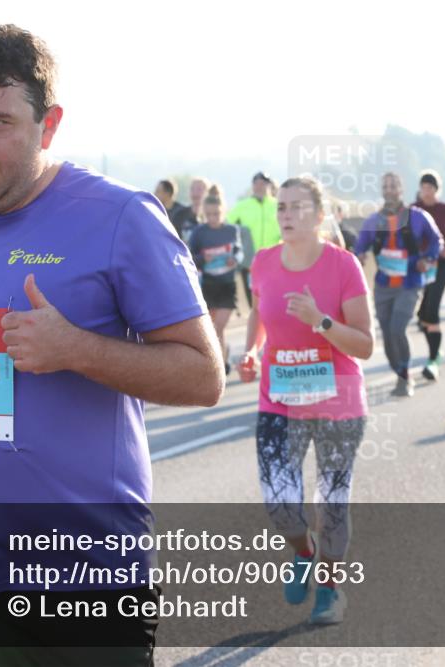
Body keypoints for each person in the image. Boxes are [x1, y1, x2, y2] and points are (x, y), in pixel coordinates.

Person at [0, 25, 224, 666]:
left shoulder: (122, 217)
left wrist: (76, 349)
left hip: (87, 571)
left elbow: (204, 376)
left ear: (48, 125)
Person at [236, 176, 373, 625]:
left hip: (338, 397)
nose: (287, 215)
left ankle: (330, 590)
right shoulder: (263, 261)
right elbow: (260, 312)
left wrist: (321, 321)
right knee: (280, 504)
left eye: (297, 207)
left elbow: (365, 345)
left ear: (319, 216)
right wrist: (252, 350)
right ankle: (304, 550)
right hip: (279, 397)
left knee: (331, 502)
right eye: (282, 207)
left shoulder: (343, 266)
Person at [354, 173, 441, 397]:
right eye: (385, 186)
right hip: (383, 286)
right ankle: (399, 371)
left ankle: (405, 377)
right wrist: (360, 256)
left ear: (401, 189)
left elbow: (436, 240)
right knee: (386, 334)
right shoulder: (374, 221)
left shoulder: (418, 217)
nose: (389, 190)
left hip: (409, 284)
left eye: (393, 186)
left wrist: (427, 259)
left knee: (397, 328)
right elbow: (359, 247)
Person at [413, 170, 445, 380]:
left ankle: (433, 360)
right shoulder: (413, 210)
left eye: (430, 188)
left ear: (437, 190)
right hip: (420, 266)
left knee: (432, 309)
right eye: (423, 188)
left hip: (440, 264)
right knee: (422, 315)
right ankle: (436, 351)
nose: (426, 192)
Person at [188, 185, 243, 374]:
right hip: (208, 285)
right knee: (213, 329)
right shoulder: (199, 232)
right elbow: (189, 256)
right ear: (204, 214)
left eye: (217, 214)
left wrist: (234, 259)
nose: (213, 218)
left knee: (218, 327)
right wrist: (203, 259)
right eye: (209, 214)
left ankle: (219, 366)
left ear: (223, 211)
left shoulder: (231, 230)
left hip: (227, 285)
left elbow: (239, 252)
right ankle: (223, 359)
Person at [228, 171, 280, 308]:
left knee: (272, 300)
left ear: (269, 186)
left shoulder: (278, 205)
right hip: (250, 262)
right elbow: (226, 226)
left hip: (274, 261)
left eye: (262, 184)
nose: (259, 187)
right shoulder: (242, 205)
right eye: (256, 184)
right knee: (254, 303)